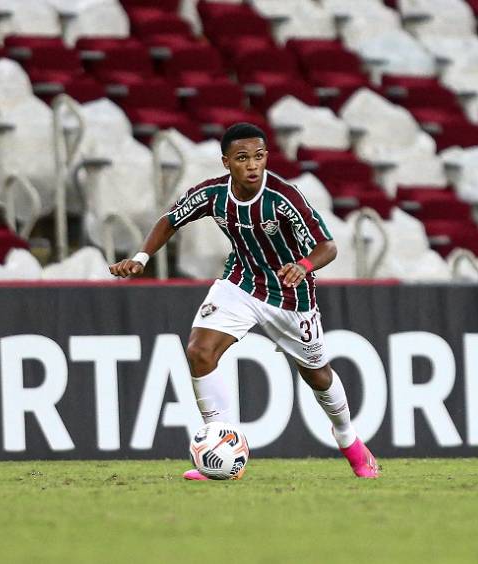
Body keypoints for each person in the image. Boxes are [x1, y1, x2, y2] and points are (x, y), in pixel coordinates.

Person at [109, 122, 379, 480]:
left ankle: (350, 441)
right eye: (242, 158)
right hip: (241, 283)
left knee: (317, 375)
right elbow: (170, 220)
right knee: (199, 352)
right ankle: (221, 451)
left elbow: (327, 245)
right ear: (226, 163)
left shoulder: (283, 197)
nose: (253, 165)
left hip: (291, 295)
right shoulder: (212, 195)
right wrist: (141, 258)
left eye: (259, 156)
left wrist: (303, 265)